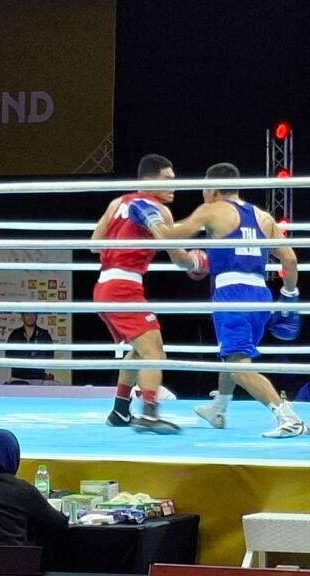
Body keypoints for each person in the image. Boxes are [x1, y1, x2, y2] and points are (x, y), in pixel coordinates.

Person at [163, 162, 309, 438]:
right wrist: (289, 295)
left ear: (213, 188)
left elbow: (172, 236)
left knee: (238, 366)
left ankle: (287, 417)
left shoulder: (213, 210)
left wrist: (151, 220)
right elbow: (289, 259)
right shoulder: (262, 216)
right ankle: (218, 408)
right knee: (232, 354)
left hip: (232, 294)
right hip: (261, 295)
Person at [91, 154, 206, 434]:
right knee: (154, 351)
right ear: (149, 180)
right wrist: (196, 262)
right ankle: (150, 414)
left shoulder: (117, 203)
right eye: (167, 180)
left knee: (141, 350)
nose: (173, 187)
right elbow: (177, 257)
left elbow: (94, 245)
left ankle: (119, 410)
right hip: (123, 288)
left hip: (105, 284)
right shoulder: (158, 210)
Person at [7, 312, 54, 382]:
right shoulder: (15, 334)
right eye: (27, 314)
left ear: (36, 316)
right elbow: (8, 355)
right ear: (22, 317)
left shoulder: (44, 334)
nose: (30, 317)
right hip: (18, 377)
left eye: (33, 314)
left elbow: (50, 355)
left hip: (37, 378)